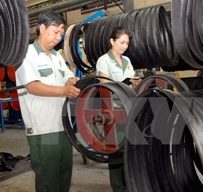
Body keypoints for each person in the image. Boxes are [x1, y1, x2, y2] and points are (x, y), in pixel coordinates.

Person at [15, 10, 81, 192]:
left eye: (61, 34)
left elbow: (68, 77)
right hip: (45, 128)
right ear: (42, 28)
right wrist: (63, 90)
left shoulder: (57, 56)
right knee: (48, 176)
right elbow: (32, 86)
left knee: (64, 172)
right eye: (55, 32)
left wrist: (71, 81)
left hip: (63, 125)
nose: (58, 37)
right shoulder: (26, 55)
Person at [96, 26, 141, 192]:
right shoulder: (104, 61)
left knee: (129, 150)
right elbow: (104, 84)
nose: (124, 46)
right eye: (121, 42)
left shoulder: (127, 61)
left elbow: (131, 83)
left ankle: (130, 184)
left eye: (127, 43)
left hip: (129, 109)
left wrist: (135, 83)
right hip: (112, 112)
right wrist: (126, 82)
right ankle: (118, 188)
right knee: (115, 152)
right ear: (112, 41)